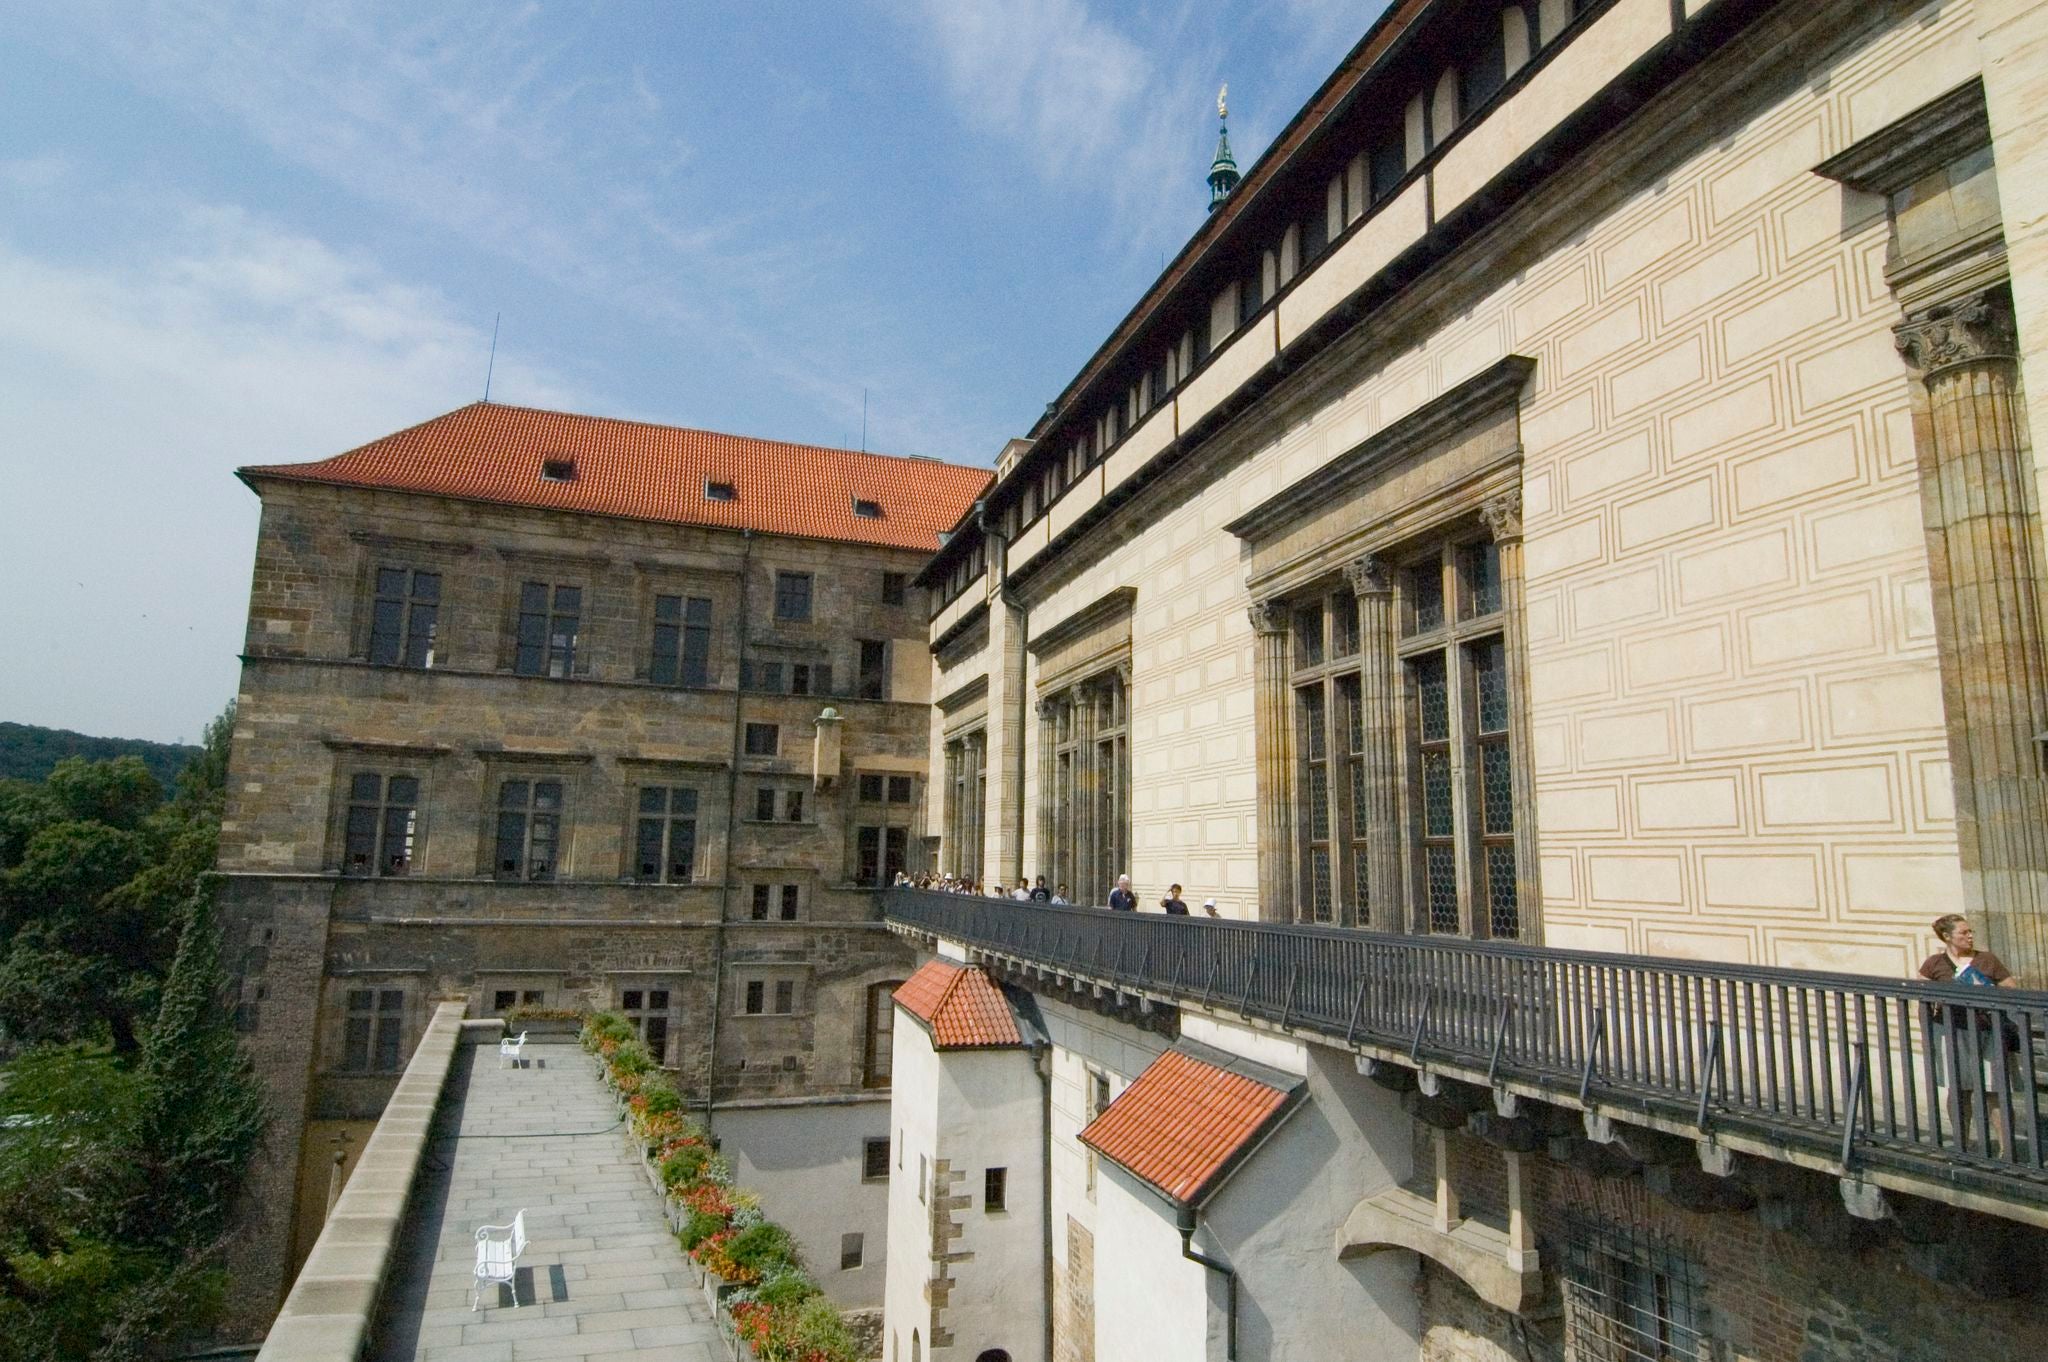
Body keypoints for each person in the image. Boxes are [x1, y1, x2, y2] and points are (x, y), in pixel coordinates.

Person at [1916, 913, 2021, 1151]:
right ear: (1947, 936)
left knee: (1995, 1090)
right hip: (1953, 1032)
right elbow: (1920, 996)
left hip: (1988, 1031)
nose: (1970, 936)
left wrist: (1987, 988)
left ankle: (2007, 1150)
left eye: (1970, 931)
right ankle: (1961, 1144)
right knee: (1959, 1090)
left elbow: (2011, 988)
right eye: (1964, 933)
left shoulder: (1987, 960)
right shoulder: (1934, 964)